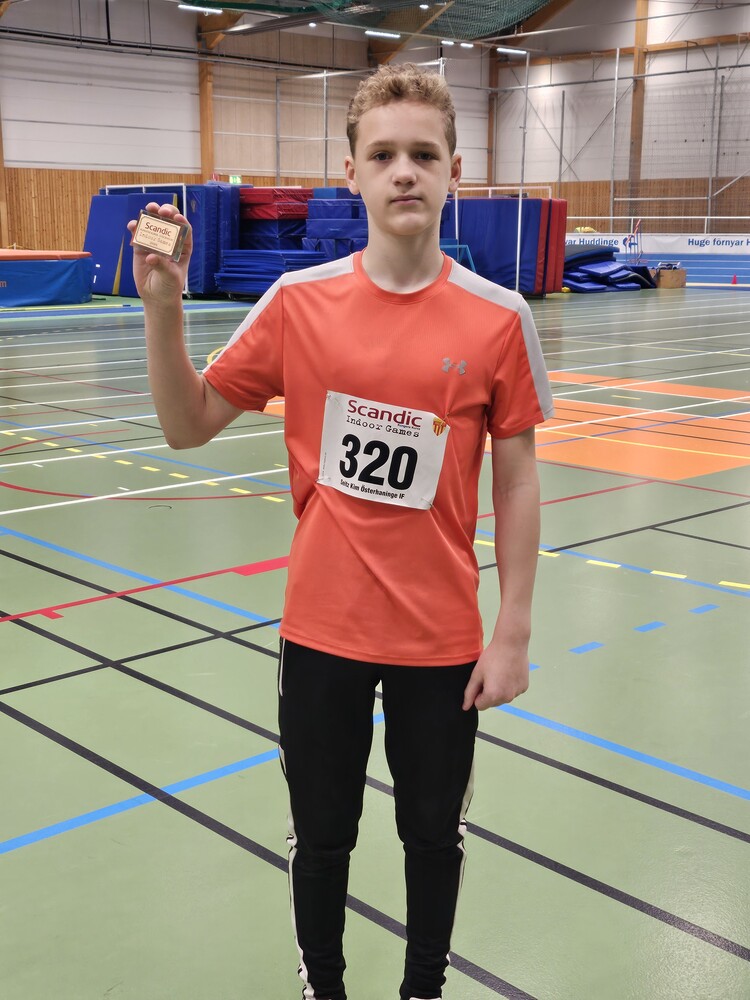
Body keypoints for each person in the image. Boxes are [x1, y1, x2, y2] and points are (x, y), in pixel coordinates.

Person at [130, 63, 553, 1000]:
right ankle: (324, 988)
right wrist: (163, 311)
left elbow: (519, 480)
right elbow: (187, 424)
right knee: (322, 838)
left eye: (424, 155)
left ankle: (422, 990)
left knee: (434, 836)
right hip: (321, 634)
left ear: (455, 172)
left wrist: (514, 630)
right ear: (351, 173)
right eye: (384, 154)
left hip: (443, 643)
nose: (405, 171)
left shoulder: (500, 320)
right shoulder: (297, 302)